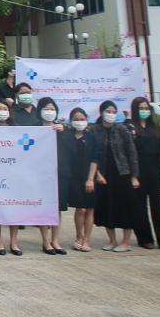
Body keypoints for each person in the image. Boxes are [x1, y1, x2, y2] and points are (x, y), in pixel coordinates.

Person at [88, 100, 139, 252]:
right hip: (103, 174)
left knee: (125, 207)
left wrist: (134, 176)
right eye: (108, 111)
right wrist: (97, 174)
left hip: (122, 173)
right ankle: (112, 240)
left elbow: (132, 153)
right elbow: (91, 155)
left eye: (113, 112)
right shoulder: (94, 130)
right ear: (101, 112)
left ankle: (126, 241)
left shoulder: (122, 129)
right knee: (106, 207)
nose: (111, 114)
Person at [128, 96, 160, 252]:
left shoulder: (155, 127)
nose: (144, 111)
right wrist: (132, 175)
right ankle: (145, 239)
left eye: (146, 108)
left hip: (155, 170)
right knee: (139, 208)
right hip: (138, 171)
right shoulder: (130, 127)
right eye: (141, 109)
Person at [0, 100, 23, 255]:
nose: (2, 111)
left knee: (13, 209)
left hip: (12, 173)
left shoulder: (16, 130)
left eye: (5, 108)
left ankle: (14, 242)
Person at [35, 97, 67, 255]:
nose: (49, 112)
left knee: (57, 208)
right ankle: (46, 241)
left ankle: (56, 240)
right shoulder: (34, 129)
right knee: (44, 207)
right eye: (46, 108)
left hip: (58, 173)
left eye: (52, 109)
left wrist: (63, 131)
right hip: (41, 174)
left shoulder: (62, 130)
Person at [62, 107, 96, 251]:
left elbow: (95, 159)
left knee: (89, 209)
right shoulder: (67, 136)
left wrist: (91, 179)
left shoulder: (91, 137)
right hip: (73, 177)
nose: (79, 121)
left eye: (82, 119)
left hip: (88, 177)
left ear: (87, 121)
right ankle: (79, 236)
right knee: (79, 209)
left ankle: (87, 239)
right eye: (76, 119)